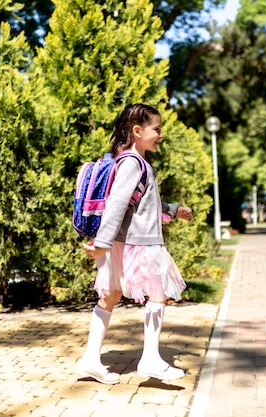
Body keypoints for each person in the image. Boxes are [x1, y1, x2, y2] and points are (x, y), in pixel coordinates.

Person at [75, 104, 193, 385]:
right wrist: (101, 243)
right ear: (138, 131)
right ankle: (150, 359)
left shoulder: (132, 161)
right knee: (158, 292)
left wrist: (173, 209)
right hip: (139, 243)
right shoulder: (132, 162)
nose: (160, 135)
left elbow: (140, 203)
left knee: (110, 296)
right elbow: (116, 204)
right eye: (157, 130)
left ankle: (91, 360)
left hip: (122, 243)